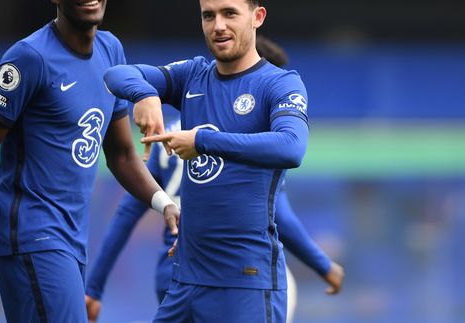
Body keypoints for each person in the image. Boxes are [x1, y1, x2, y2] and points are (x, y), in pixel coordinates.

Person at [0, 0, 179, 322]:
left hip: (72, 241)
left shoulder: (112, 51)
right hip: (32, 238)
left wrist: (164, 204)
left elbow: (123, 154)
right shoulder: (29, 59)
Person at [103, 0, 311, 323]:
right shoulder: (192, 74)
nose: (218, 26)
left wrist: (203, 140)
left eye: (230, 13)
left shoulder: (280, 84)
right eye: (208, 15)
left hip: (246, 283)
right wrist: (145, 96)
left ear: (257, 16)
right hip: (184, 281)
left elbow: (291, 147)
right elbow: (115, 73)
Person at [86, 37, 344, 323]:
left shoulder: (171, 138)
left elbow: (127, 212)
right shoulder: (248, 145)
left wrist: (94, 286)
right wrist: (324, 266)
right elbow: (281, 216)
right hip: (223, 273)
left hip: (172, 270)